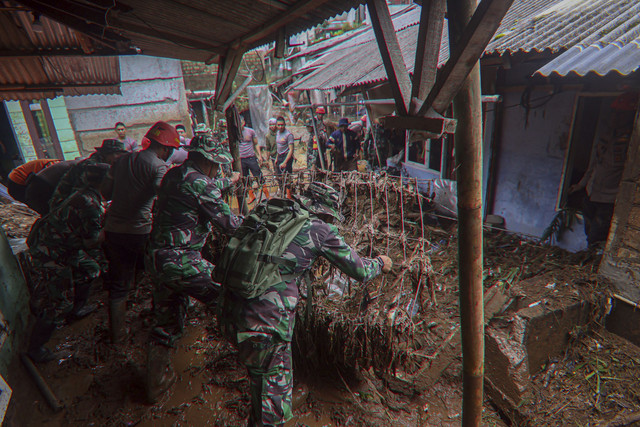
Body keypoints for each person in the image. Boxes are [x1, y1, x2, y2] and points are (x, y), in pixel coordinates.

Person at [219, 182, 393, 426]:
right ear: (326, 212)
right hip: (266, 325)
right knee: (274, 407)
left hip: (232, 312)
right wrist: (379, 262)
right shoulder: (320, 229)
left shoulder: (272, 212)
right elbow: (360, 270)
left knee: (260, 381)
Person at [145, 134, 241, 402]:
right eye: (217, 165)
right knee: (232, 297)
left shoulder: (174, 175)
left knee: (165, 321)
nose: (218, 170)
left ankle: (156, 384)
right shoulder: (201, 183)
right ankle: (253, 362)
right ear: (207, 160)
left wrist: (228, 182)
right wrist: (265, 222)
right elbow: (231, 225)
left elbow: (205, 187)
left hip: (157, 259)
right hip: (182, 260)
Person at [102, 121, 179, 344]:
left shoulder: (122, 160)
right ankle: (160, 324)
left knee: (119, 286)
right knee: (160, 275)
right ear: (166, 148)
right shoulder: (158, 166)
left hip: (113, 230)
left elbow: (105, 192)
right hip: (139, 231)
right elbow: (163, 200)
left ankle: (118, 338)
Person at [26, 163, 110, 363]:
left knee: (91, 269)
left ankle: (76, 310)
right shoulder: (91, 205)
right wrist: (111, 227)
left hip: (63, 246)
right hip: (50, 252)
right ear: (104, 181)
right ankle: (35, 349)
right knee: (59, 302)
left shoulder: (86, 194)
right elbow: (91, 242)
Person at [570, 92, 638, 247]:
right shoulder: (606, 136)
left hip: (608, 199)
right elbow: (595, 163)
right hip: (591, 193)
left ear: (630, 116)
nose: (615, 117)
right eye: (614, 113)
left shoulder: (632, 144)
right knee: (589, 231)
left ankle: (592, 263)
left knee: (597, 236)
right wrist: (581, 185)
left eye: (621, 114)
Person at [49, 139, 127, 210]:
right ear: (106, 154)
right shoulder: (91, 167)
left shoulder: (106, 165)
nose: (120, 158)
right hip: (62, 206)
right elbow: (82, 197)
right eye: (117, 153)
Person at [239, 117, 266, 203]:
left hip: (251, 157)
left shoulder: (250, 131)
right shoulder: (235, 133)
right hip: (241, 159)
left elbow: (256, 144)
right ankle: (251, 195)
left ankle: (266, 194)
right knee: (245, 178)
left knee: (258, 174)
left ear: (244, 122)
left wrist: (259, 156)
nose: (240, 124)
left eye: (241, 122)